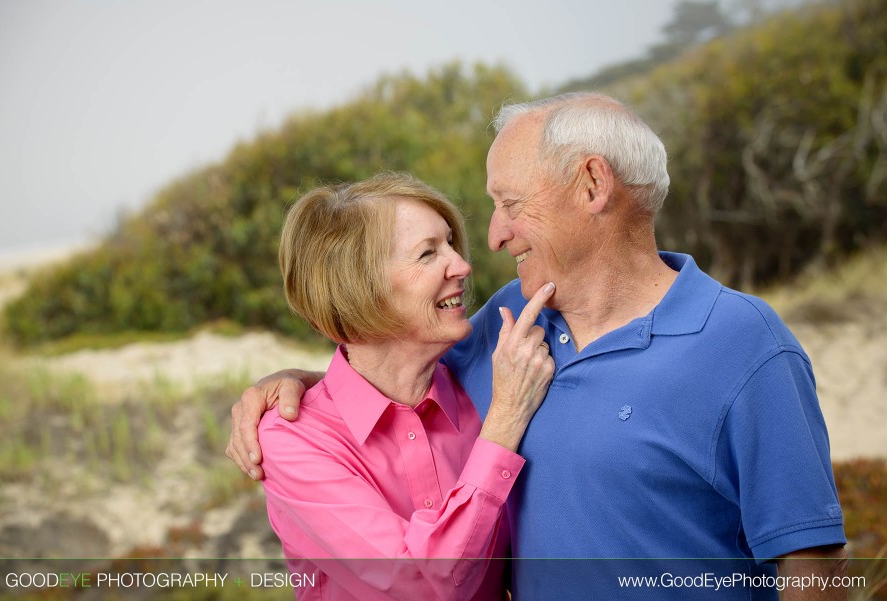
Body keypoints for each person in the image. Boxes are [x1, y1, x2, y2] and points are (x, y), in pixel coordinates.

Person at [227, 93, 848, 600]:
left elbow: (813, 567)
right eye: (431, 250)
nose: (490, 240)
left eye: (510, 204)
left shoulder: (744, 344)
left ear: (591, 184)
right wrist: (295, 383)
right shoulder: (502, 329)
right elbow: (380, 367)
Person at [253, 172, 555, 600]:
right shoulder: (292, 440)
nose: (463, 265)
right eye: (428, 253)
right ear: (359, 290)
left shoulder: (485, 376)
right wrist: (505, 421)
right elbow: (421, 584)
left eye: (450, 243)